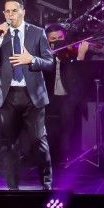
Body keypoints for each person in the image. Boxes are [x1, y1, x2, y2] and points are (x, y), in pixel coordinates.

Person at [0, 0, 54, 191]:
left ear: (23, 12)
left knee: (38, 140)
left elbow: (49, 63)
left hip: (32, 96)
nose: (10, 15)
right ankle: (12, 188)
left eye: (14, 11)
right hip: (8, 95)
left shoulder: (37, 33)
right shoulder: (0, 33)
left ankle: (47, 183)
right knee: (11, 144)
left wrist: (31, 59)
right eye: (7, 11)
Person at [42, 23, 90, 158]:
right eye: (53, 39)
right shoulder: (42, 55)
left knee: (69, 109)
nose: (58, 42)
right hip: (49, 97)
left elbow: (82, 80)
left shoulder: (71, 54)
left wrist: (80, 57)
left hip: (69, 96)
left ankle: (68, 153)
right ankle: (51, 154)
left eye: (60, 38)